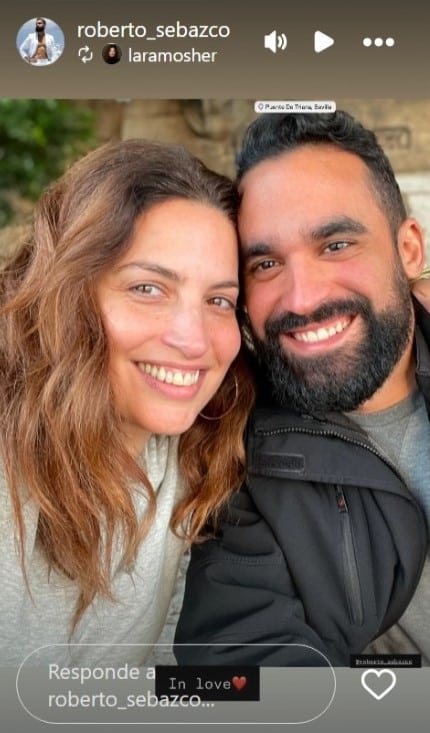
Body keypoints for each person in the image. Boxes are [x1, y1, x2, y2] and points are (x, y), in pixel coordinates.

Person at [175, 110, 430, 667]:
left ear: (409, 249)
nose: (302, 298)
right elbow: (245, 656)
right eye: (266, 263)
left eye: (336, 244)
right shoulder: (239, 459)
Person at [0, 138, 255, 667]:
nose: (193, 340)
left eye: (219, 301)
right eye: (148, 289)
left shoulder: (204, 451)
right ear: (67, 294)